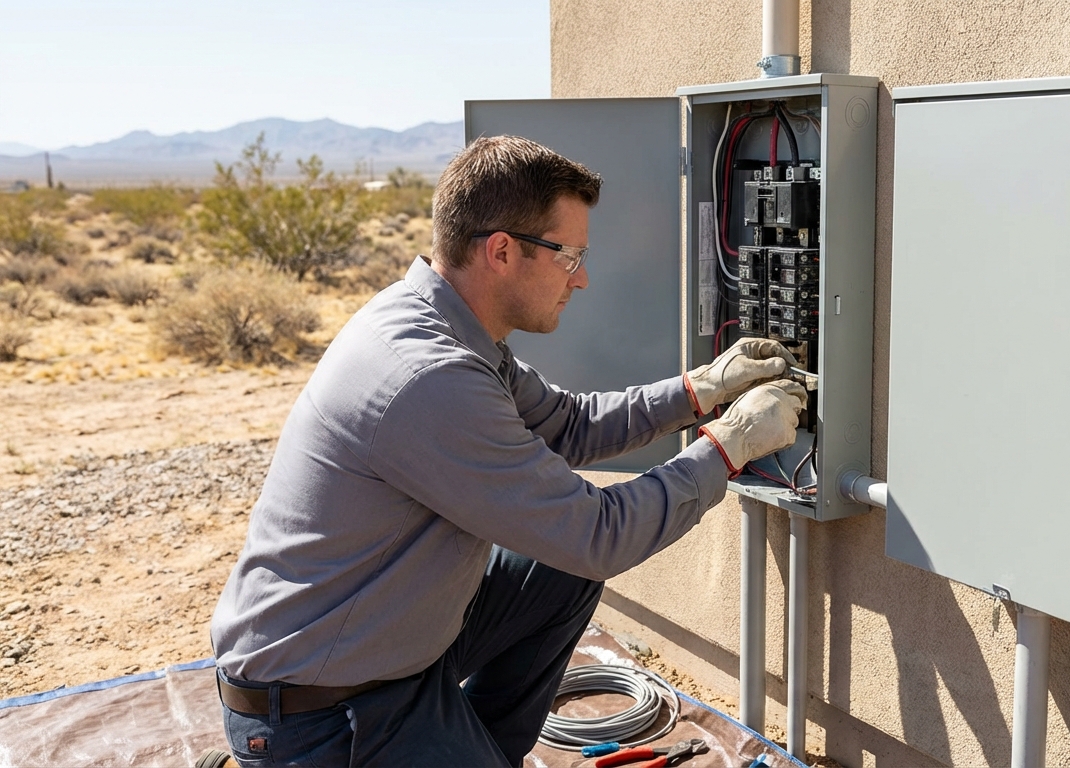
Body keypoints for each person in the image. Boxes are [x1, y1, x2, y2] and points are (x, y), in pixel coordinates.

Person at [207, 135, 806, 767]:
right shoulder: (429, 375)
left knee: (558, 571)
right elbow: (597, 533)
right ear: (501, 251)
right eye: (569, 255)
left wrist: (697, 390)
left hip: (390, 645)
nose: (583, 277)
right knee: (575, 551)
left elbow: (569, 425)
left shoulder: (446, 326)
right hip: (326, 711)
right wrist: (728, 447)